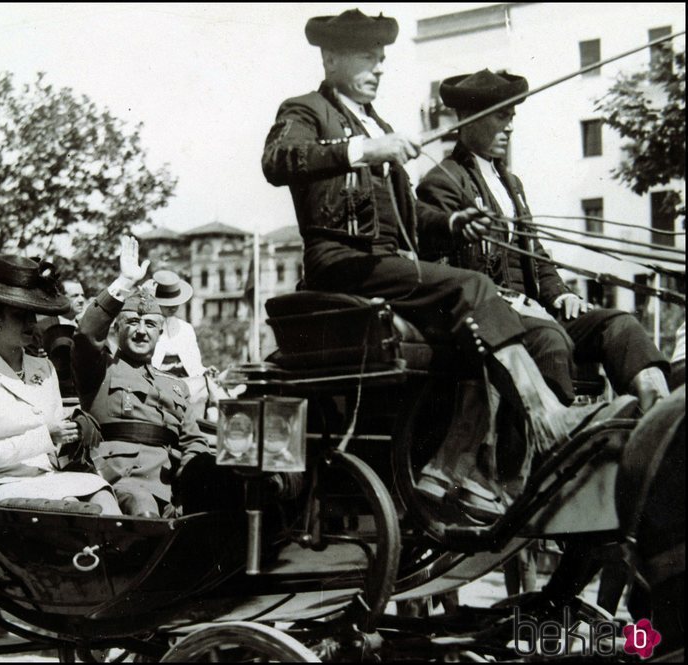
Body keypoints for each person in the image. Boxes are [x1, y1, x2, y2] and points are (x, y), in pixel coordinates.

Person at [261, 9, 638, 518]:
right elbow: (278, 160)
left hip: (386, 265)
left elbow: (405, 213)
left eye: (382, 59)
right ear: (330, 58)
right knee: (473, 288)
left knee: (469, 328)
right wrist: (366, 148)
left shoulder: (379, 124)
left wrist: (453, 221)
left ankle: (448, 468)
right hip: (341, 262)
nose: (378, 69)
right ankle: (545, 416)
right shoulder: (306, 111)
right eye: (367, 58)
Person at [416, 69, 670, 414]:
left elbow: (535, 255)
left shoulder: (511, 182)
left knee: (621, 325)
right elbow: (453, 277)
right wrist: (516, 304)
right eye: (501, 117)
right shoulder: (442, 183)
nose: (509, 127)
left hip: (538, 312)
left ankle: (660, 424)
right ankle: (554, 448)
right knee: (551, 340)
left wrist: (562, 293)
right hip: (494, 324)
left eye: (512, 117)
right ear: (467, 119)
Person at [72, 237, 252, 517]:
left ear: (160, 332)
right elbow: (85, 334)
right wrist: (124, 281)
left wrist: (189, 478)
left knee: (233, 484)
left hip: (170, 486)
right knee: (144, 509)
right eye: (132, 322)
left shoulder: (176, 386)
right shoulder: (101, 370)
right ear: (117, 328)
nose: (141, 331)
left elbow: (194, 442)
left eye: (150, 325)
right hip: (124, 484)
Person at [0, 254, 121, 515]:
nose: (32, 324)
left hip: (50, 477)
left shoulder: (43, 368)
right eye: (20, 316)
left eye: (33, 315)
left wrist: (73, 429)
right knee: (80, 512)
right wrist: (46, 437)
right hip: (6, 484)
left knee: (104, 496)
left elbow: (56, 433)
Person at [150, 270, 205, 378]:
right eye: (168, 305)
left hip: (183, 378)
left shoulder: (186, 328)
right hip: (157, 377)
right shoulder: (148, 326)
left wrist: (204, 371)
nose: (173, 308)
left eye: (176, 304)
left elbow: (195, 362)